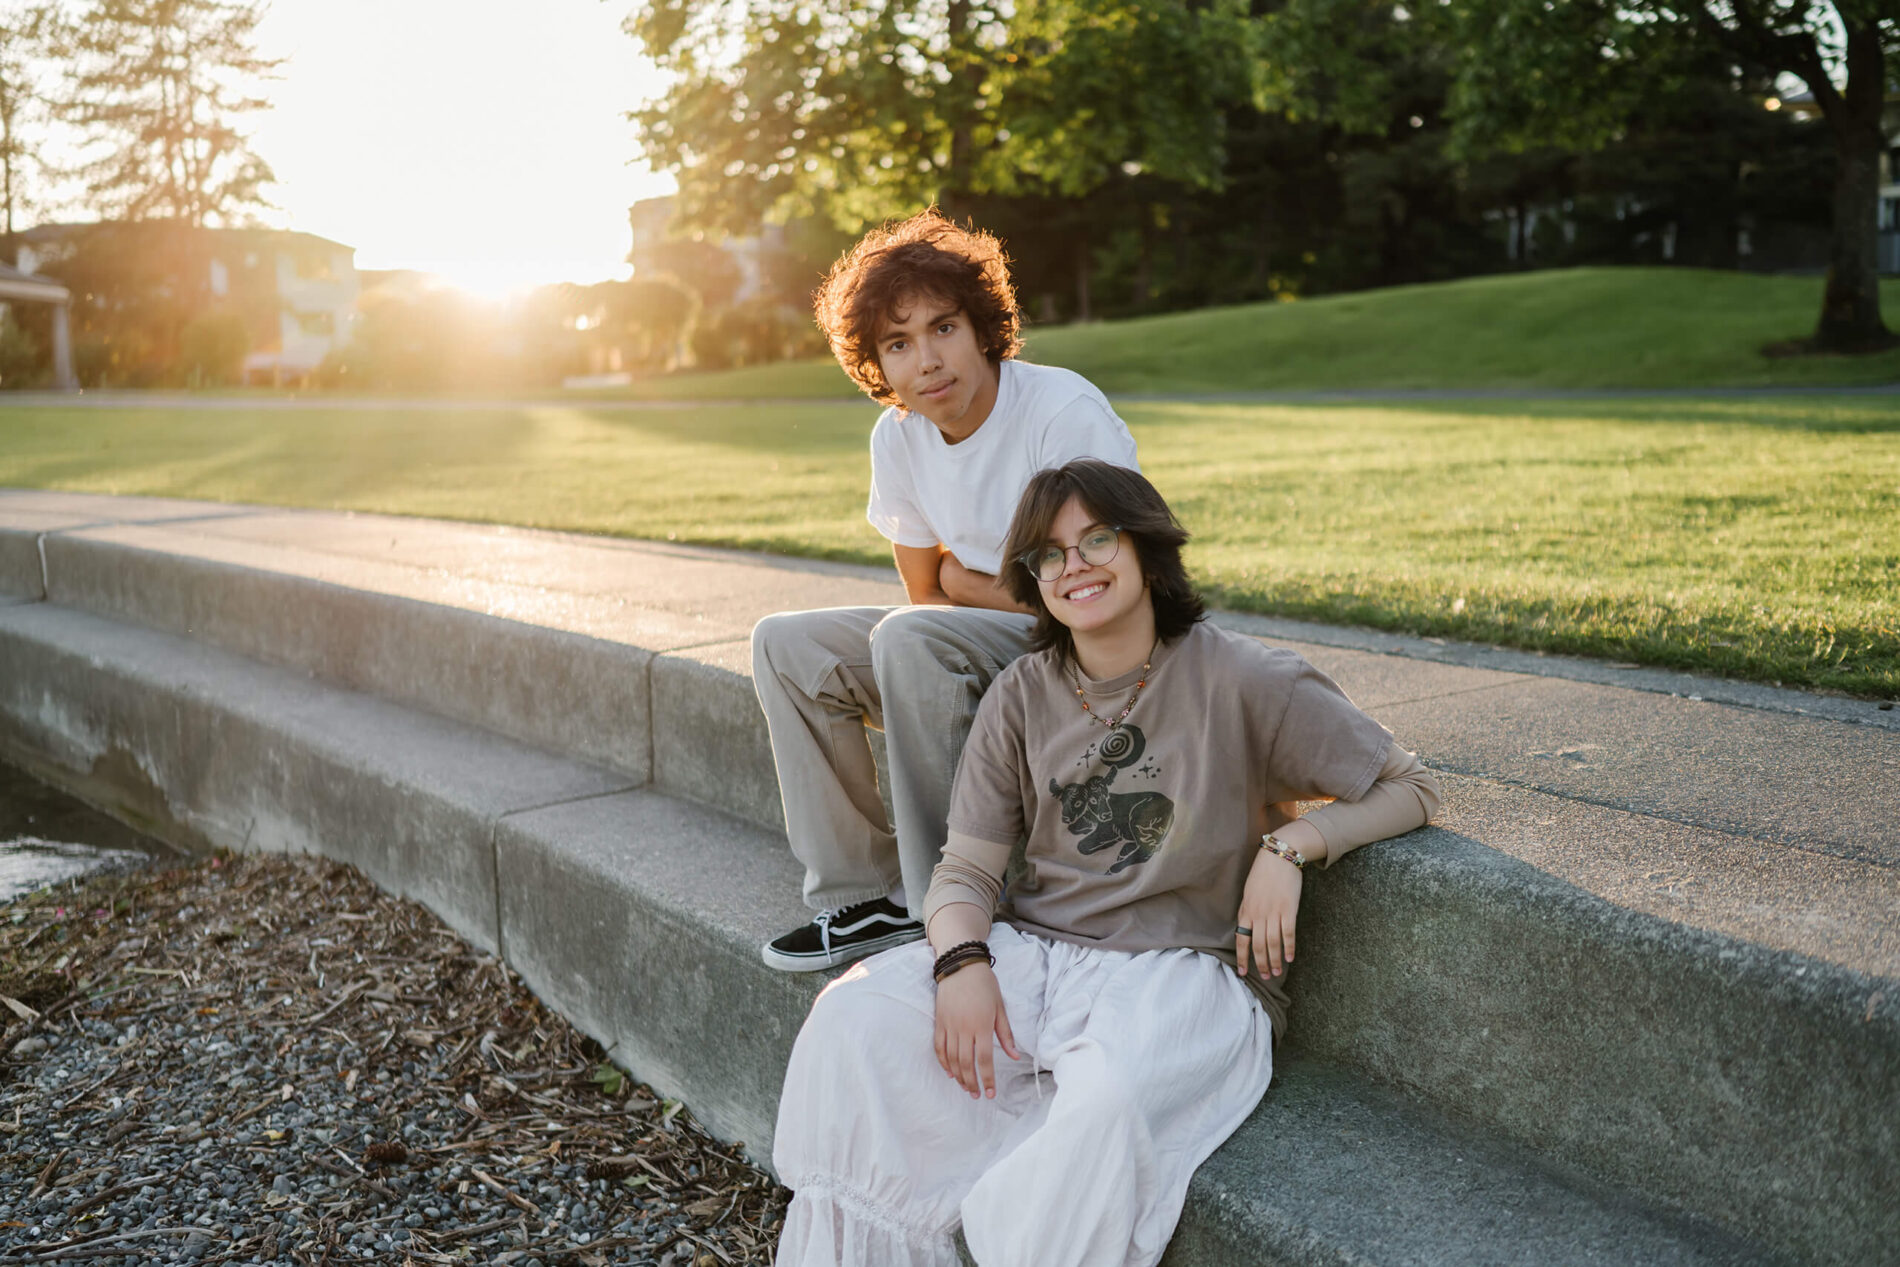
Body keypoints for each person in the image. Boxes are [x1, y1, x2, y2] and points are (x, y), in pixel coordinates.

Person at [772, 460, 1443, 1267]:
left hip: (1184, 972)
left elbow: (1410, 784)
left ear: (1149, 548)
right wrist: (959, 959)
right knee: (853, 1020)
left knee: (1101, 1106)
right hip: (1041, 952)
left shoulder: (1245, 677)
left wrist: (1290, 846)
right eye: (1050, 554)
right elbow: (967, 868)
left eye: (1097, 538)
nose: (1075, 564)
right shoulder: (1021, 692)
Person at [753, 210, 1140, 971]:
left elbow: (1103, 589)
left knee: (909, 636)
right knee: (785, 642)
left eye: (943, 329)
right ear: (878, 364)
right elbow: (928, 593)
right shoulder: (897, 437)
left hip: (1091, 653)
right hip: (985, 639)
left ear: (982, 327)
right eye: (898, 344)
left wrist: (965, 578)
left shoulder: (1060, 411)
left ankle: (954, 901)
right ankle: (867, 896)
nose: (926, 362)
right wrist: (973, 581)